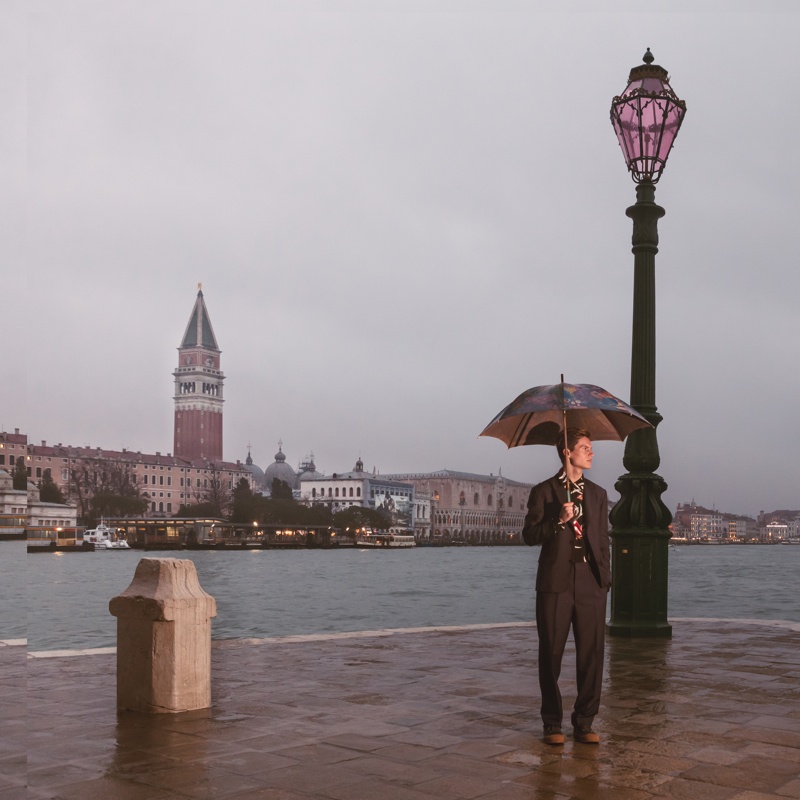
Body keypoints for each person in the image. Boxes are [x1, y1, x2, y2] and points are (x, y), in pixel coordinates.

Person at [522, 427, 611, 745]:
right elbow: (530, 536)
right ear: (567, 452)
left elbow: (602, 541)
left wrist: (605, 581)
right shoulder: (543, 492)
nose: (591, 452)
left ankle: (585, 722)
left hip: (591, 583)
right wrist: (558, 519)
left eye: (591, 447)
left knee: (592, 653)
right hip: (555, 583)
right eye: (585, 447)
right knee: (551, 653)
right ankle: (552, 724)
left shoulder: (598, 495)